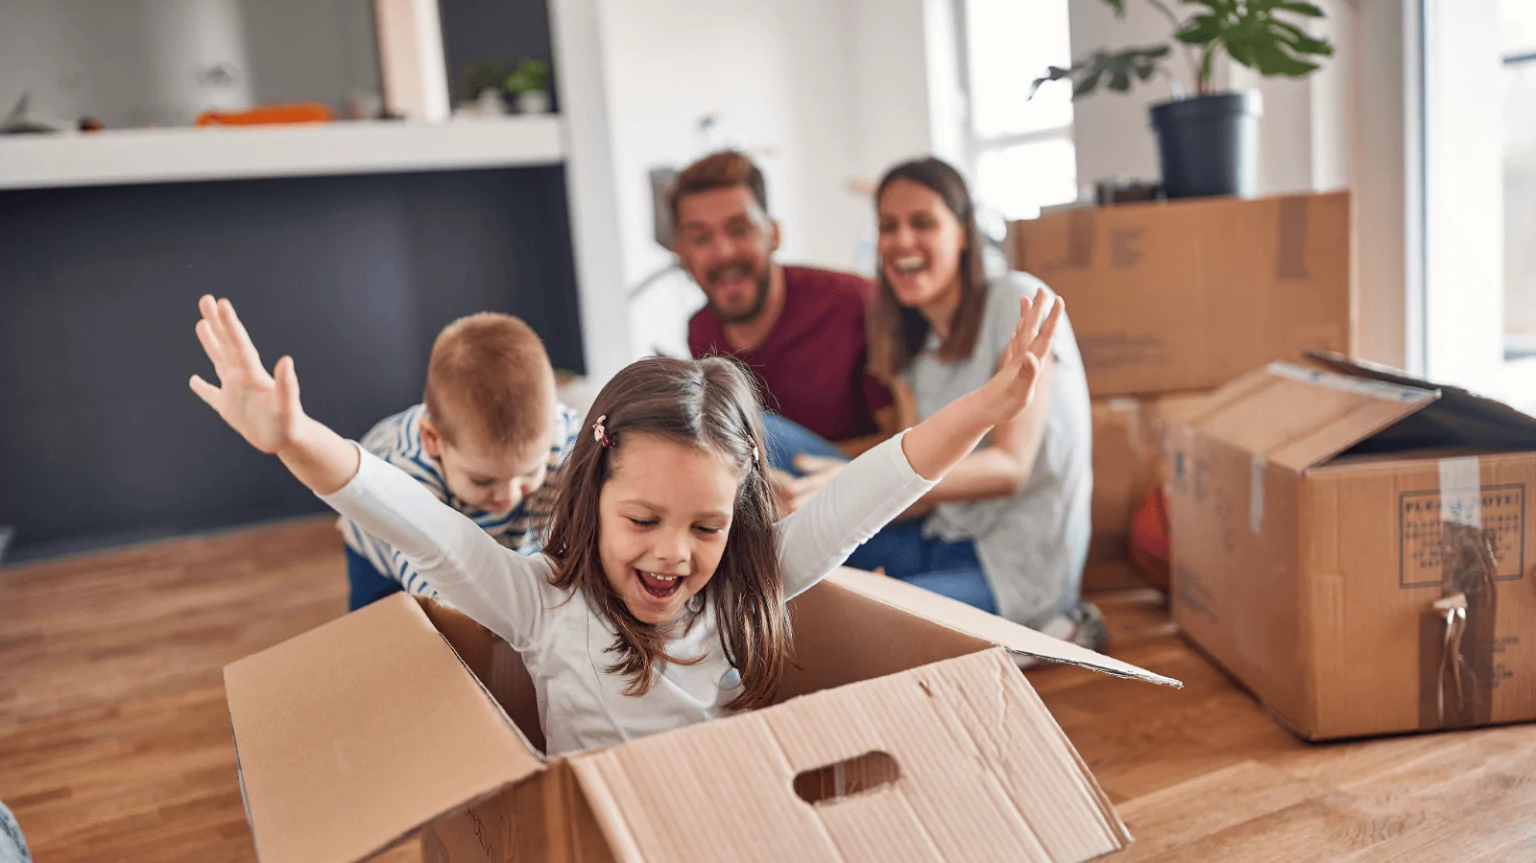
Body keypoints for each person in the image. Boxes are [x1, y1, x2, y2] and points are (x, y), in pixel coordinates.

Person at [186, 289, 1061, 754]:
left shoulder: (747, 586)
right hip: (603, 845)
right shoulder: (537, 601)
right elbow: (411, 517)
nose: (675, 553)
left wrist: (986, 407)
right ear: (589, 488)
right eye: (643, 517)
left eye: (707, 527)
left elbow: (874, 488)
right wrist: (293, 437)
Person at [783, 158, 1102, 648]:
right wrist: (824, 506)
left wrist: (846, 485)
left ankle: (1054, 627)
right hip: (935, 536)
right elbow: (911, 485)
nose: (901, 241)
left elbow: (1010, 467)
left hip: (1010, 566)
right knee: (758, 433)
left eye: (923, 222)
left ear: (963, 234)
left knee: (852, 631)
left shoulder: (1014, 300)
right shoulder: (912, 348)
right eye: (888, 226)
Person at [340, 313, 580, 611]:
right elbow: (425, 572)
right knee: (381, 624)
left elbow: (561, 538)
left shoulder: (563, 441)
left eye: (530, 472)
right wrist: (468, 615)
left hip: (502, 538)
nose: (509, 495)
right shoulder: (406, 470)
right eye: (483, 480)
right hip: (383, 549)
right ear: (433, 440)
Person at [674, 150, 895, 466]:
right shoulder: (701, 330)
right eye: (700, 238)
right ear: (682, 252)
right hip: (775, 502)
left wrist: (794, 465)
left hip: (872, 493)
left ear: (774, 234)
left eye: (740, 230)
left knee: (756, 431)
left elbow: (905, 442)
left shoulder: (856, 303)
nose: (723, 252)